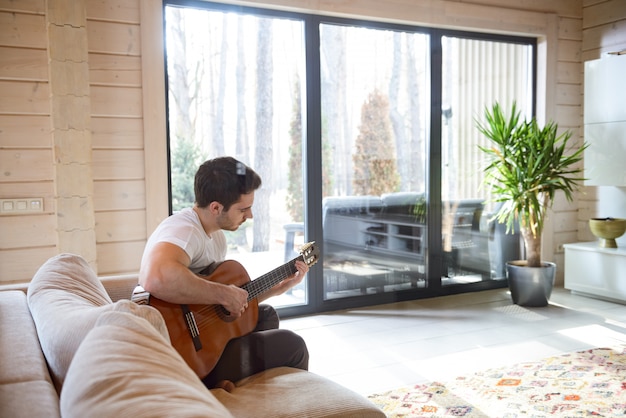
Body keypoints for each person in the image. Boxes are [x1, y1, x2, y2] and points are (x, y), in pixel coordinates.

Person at [139, 156, 309, 390]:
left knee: (265, 315)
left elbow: (218, 309)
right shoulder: (184, 230)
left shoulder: (215, 235)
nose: (249, 216)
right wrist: (222, 294)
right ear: (216, 207)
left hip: (203, 345)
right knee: (293, 345)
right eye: (243, 209)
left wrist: (279, 288)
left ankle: (228, 387)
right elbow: (155, 277)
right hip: (183, 357)